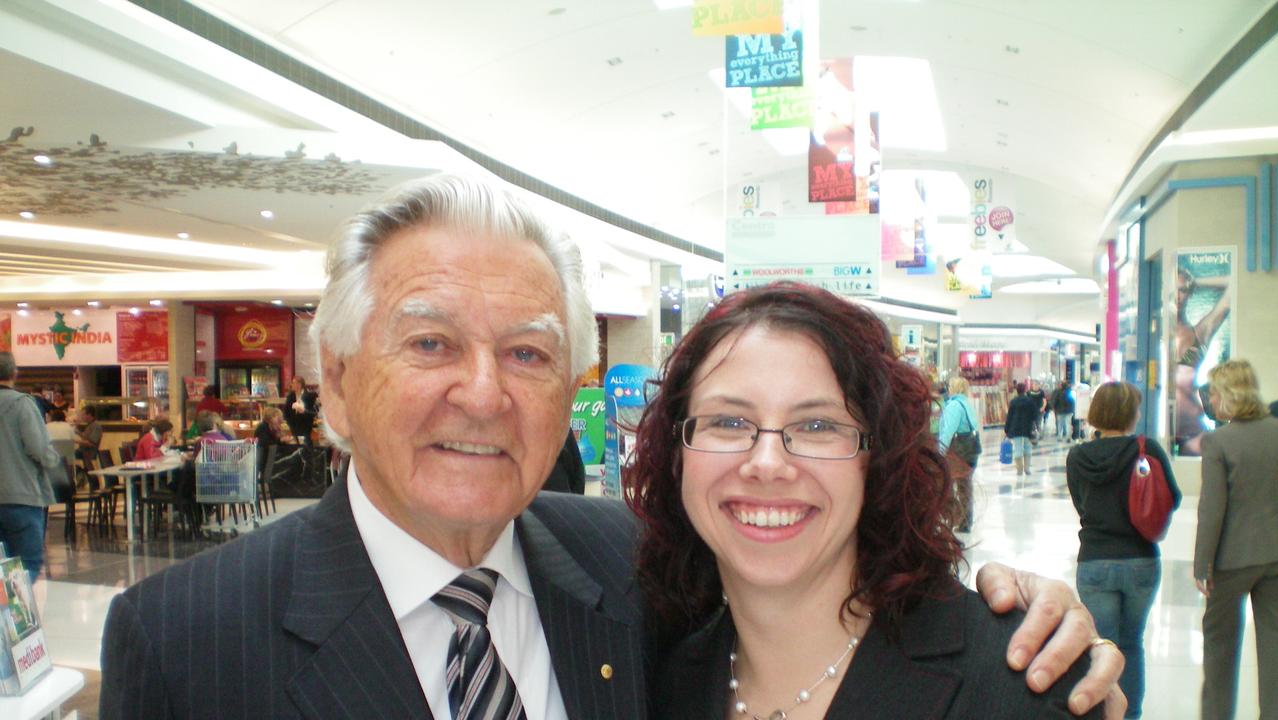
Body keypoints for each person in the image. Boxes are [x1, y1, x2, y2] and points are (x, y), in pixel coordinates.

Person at [99, 174, 1122, 719]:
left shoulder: (626, 572)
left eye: (529, 353)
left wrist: (1019, 601)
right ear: (331, 374)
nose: (484, 393)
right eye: (429, 343)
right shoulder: (186, 639)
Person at [627, 283, 1107, 719]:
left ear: (879, 457)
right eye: (728, 422)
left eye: (818, 426)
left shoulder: (1021, 688)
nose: (767, 462)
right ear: (677, 455)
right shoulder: (661, 682)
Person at [1067, 382, 1179, 719]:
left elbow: (1080, 505)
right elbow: (1171, 496)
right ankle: (1131, 715)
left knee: (1103, 648)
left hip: (1096, 561)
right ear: (1131, 414)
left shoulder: (1078, 457)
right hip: (1141, 561)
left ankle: (1102, 712)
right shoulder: (1148, 450)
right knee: (1132, 644)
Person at [1194, 359, 1278, 719]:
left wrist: (1202, 564)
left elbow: (1212, 509)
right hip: (1275, 557)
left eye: (1213, 393)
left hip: (1229, 562)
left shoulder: (1219, 441)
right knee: (1275, 649)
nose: (1210, 401)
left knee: (1220, 650)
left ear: (1228, 395)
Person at [0, 352, 60, 583]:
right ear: (14, 373)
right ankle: (19, 615)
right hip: (22, 497)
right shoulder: (22, 404)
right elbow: (39, 448)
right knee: (28, 565)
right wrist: (53, 460)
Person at [1172, 267, 1229, 456]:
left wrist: (1196, 281)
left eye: (1182, 290)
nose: (1177, 296)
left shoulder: (1200, 332)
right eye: (1171, 290)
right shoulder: (1149, 337)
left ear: (1190, 293)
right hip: (1157, 434)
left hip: (1193, 433)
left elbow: (1234, 285)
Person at [938, 375, 981, 532]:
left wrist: (940, 452)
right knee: (965, 487)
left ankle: (952, 519)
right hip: (970, 451)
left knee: (947, 486)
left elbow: (947, 431)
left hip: (958, 453)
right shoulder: (966, 404)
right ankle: (964, 521)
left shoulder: (954, 406)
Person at [1004, 382, 1039, 476]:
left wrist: (1007, 430)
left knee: (1018, 449)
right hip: (1028, 428)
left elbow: (1009, 417)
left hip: (1016, 429)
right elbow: (1035, 415)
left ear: (1017, 390)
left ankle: (1019, 470)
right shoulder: (1030, 401)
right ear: (1025, 390)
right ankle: (1027, 469)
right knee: (1028, 448)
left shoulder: (1013, 401)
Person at [283, 376, 319, 445]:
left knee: (306, 448)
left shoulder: (310, 396)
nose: (292, 385)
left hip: (306, 427)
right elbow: (286, 411)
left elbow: (314, 412)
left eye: (293, 383)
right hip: (294, 427)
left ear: (299, 385)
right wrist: (290, 423)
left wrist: (304, 411)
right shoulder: (290, 396)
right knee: (295, 448)